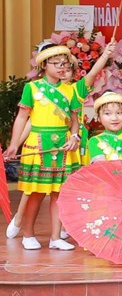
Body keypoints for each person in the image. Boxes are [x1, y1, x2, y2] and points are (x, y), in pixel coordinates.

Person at [2, 39, 115, 250]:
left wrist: (74, 137)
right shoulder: (32, 88)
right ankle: (28, 235)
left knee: (60, 194)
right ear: (44, 65)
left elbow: (75, 120)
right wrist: (14, 144)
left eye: (65, 63)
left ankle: (56, 238)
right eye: (57, 63)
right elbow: (22, 117)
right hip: (38, 144)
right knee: (35, 192)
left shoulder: (71, 90)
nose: (62, 67)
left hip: (64, 146)